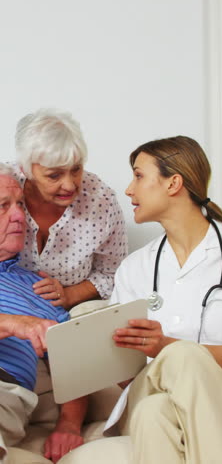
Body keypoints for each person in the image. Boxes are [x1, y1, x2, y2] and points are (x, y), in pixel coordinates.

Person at [104, 136, 222, 463]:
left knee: (154, 414)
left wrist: (165, 344)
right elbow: (121, 370)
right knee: (181, 360)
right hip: (148, 386)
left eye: (139, 176)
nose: (129, 190)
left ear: (173, 183)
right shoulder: (134, 268)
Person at [10, 108, 127, 310]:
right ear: (25, 170)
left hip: (71, 315)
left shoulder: (101, 201)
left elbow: (114, 274)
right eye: (54, 175)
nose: (70, 185)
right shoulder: (5, 188)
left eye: (76, 169)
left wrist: (69, 295)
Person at [0, 164, 77, 464]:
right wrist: (13, 324)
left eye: (20, 205)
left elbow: (75, 364)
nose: (20, 216)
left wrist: (68, 424)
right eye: (3, 206)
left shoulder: (40, 289)